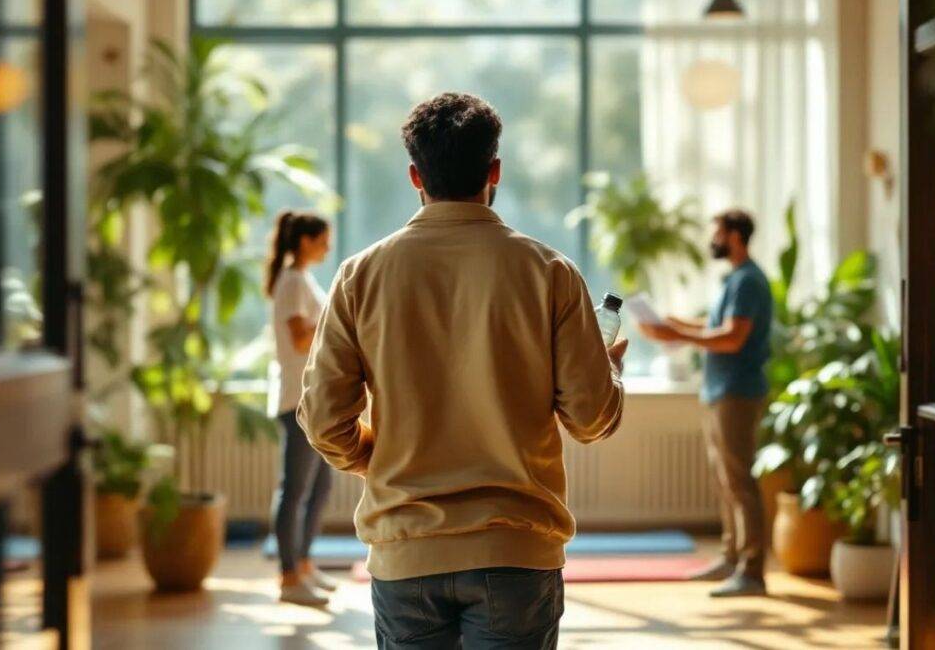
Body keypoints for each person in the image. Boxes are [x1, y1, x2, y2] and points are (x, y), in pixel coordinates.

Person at [297, 92, 628, 648]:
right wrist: (610, 372)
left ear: (413, 175)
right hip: (517, 552)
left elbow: (325, 421)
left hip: (406, 548)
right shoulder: (550, 273)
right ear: (494, 169)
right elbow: (591, 419)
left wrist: (382, 457)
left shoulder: (361, 275)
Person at [640, 209, 773, 598]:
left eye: (717, 232)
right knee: (724, 482)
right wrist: (673, 325)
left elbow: (732, 339)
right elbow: (715, 328)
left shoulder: (748, 281)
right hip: (720, 390)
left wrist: (676, 331)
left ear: (734, 235)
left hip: (738, 391)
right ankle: (732, 558)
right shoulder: (735, 280)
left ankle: (752, 571)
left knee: (740, 481)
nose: (712, 239)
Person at [264, 210, 340, 606]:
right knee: (294, 490)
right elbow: (298, 339)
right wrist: (334, 319)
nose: (328, 246)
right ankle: (288, 576)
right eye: (323, 239)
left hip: (311, 398)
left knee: (320, 486)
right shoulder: (292, 281)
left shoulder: (301, 279)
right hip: (296, 400)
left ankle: (304, 566)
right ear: (306, 240)